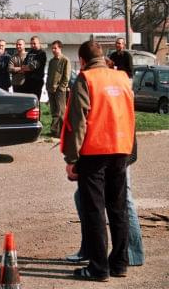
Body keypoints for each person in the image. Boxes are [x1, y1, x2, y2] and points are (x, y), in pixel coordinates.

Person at [61, 40, 134, 281]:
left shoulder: (86, 79)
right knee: (118, 208)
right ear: (103, 57)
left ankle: (98, 267)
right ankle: (120, 263)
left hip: (95, 152)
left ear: (82, 60)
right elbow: (130, 115)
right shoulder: (122, 77)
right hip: (121, 149)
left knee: (94, 211)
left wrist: (71, 159)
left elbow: (77, 122)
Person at [46, 40, 71, 138]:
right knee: (54, 111)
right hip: (50, 89)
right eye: (52, 48)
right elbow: (49, 75)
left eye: (55, 48)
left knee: (61, 112)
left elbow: (66, 77)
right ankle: (55, 131)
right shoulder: (52, 61)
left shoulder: (65, 60)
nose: (53, 50)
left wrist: (61, 88)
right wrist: (48, 86)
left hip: (60, 90)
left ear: (60, 48)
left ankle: (62, 132)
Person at [21, 36, 47, 100]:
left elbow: (33, 66)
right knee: (27, 101)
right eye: (31, 44)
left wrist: (27, 67)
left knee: (35, 102)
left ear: (39, 43)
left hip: (37, 81)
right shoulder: (30, 52)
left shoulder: (42, 53)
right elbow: (24, 64)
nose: (33, 45)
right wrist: (26, 67)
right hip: (27, 80)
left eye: (34, 43)